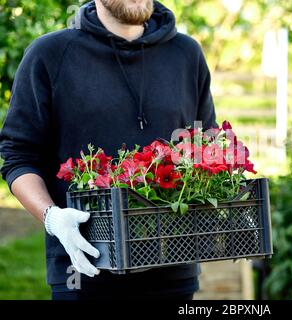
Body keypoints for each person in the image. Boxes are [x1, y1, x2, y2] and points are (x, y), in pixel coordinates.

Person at [0, 0, 217, 300]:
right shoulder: (50, 55)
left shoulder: (187, 55)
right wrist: (52, 217)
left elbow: (207, 148)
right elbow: (18, 156)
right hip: (82, 267)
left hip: (173, 268)